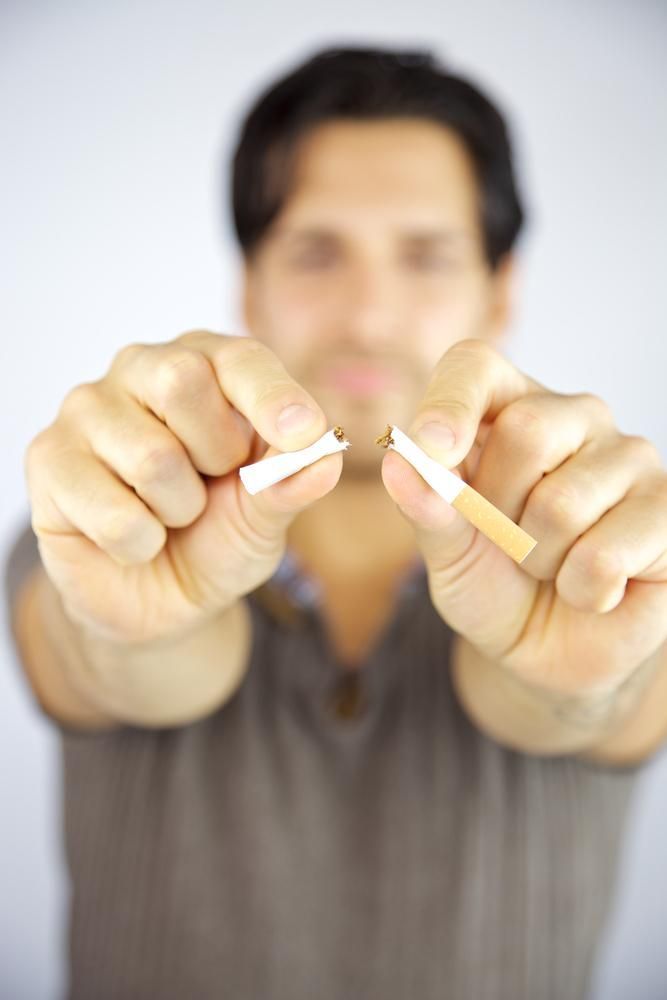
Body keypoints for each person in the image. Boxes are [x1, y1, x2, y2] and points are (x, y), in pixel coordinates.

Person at [6, 45, 667, 1000]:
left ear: (501, 289)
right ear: (249, 286)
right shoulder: (112, 525)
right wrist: (133, 616)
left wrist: (584, 672)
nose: (367, 316)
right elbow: (117, 657)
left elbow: (594, 699)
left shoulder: (603, 558)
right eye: (316, 253)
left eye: (426, 256)